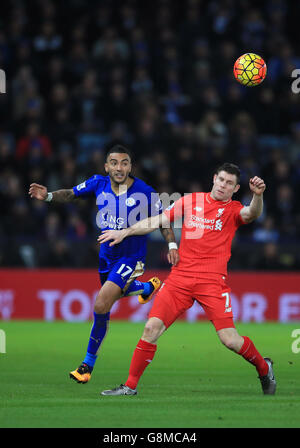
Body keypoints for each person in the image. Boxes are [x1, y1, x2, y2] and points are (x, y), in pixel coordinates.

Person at [98, 163, 276, 396]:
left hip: (212, 282)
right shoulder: (191, 201)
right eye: (221, 180)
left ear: (235, 188)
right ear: (214, 178)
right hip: (179, 279)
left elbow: (252, 213)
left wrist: (257, 196)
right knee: (151, 328)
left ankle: (264, 368)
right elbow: (157, 220)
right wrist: (124, 232)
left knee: (230, 340)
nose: (223, 185)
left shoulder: (233, 210)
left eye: (229, 183)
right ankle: (129, 387)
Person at [28, 144, 179, 383]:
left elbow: (163, 221)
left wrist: (171, 245)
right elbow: (70, 194)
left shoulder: (145, 191)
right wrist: (47, 196)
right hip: (107, 256)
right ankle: (147, 288)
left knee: (101, 304)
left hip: (132, 257)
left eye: (125, 163)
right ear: (106, 166)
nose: (120, 168)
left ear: (131, 166)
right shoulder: (98, 183)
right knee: (111, 295)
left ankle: (87, 365)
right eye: (115, 163)